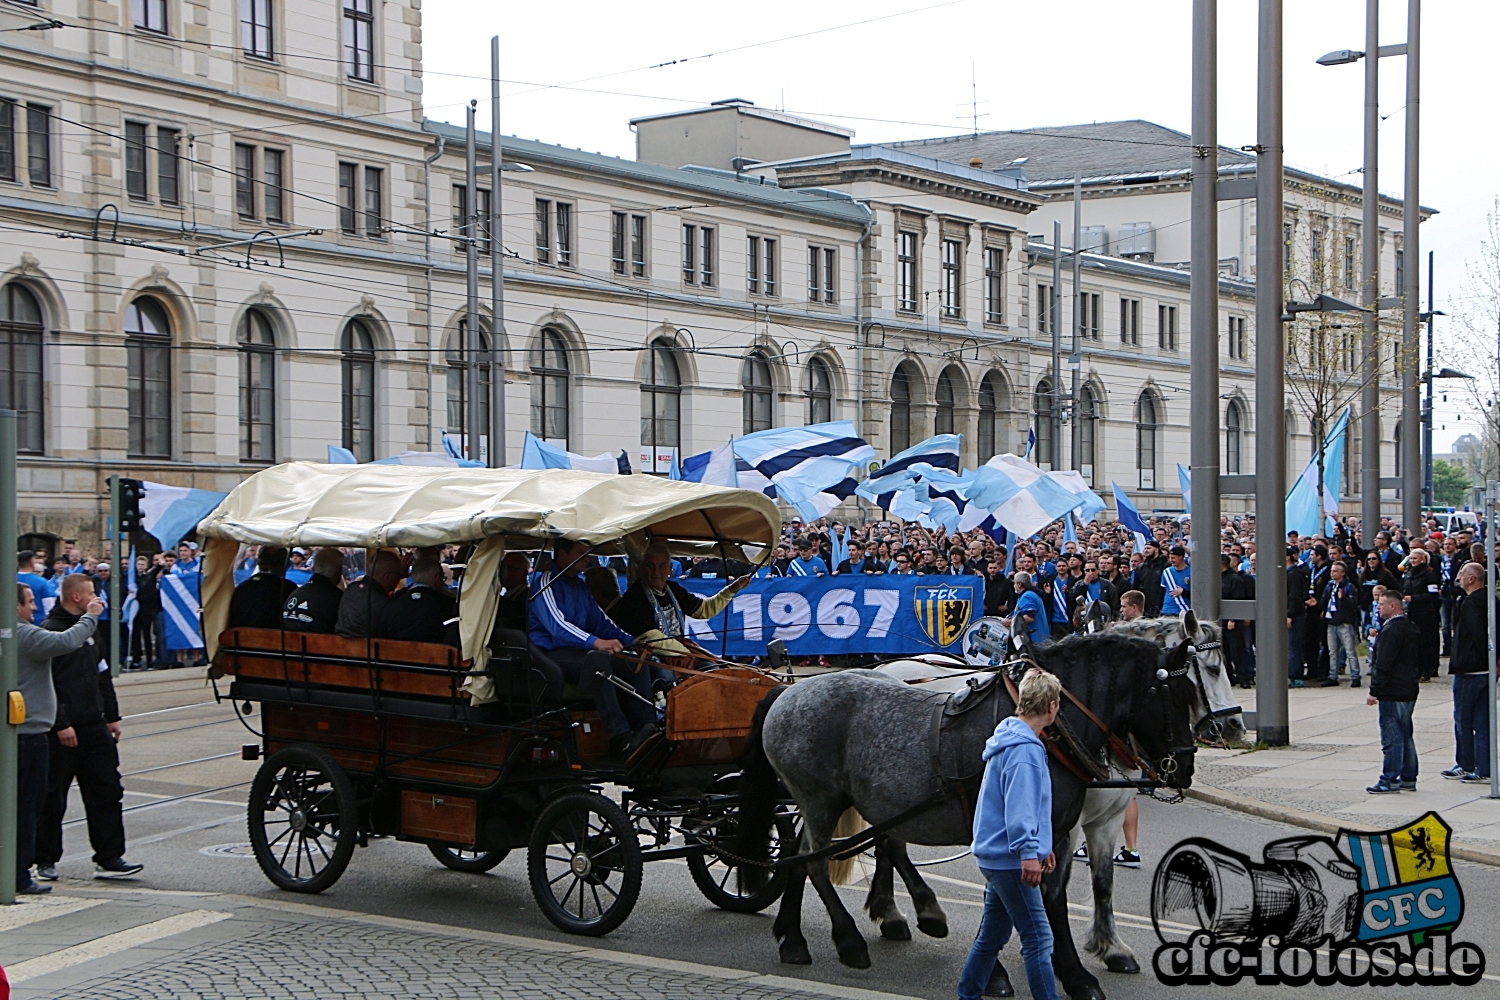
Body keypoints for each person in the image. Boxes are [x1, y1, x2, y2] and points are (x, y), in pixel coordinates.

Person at [958, 667, 1061, 1000]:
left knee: (992, 937)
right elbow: (1020, 811)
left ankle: (968, 995)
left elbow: (1023, 807)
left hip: (997, 855)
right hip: (1010, 860)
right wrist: (1029, 852)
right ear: (1051, 706)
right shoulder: (1026, 750)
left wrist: (1041, 845)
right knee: (1038, 940)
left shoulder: (1009, 739)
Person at [33, 575, 142, 881]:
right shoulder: (50, 632)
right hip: (63, 731)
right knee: (52, 797)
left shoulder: (92, 631)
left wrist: (112, 715)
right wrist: (61, 723)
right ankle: (45, 859)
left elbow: (103, 674)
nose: (98, 598)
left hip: (95, 726)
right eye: (92, 593)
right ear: (77, 598)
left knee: (106, 791)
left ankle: (109, 856)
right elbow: (48, 684)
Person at [14, 583, 103, 894]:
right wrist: (90, 617)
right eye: (28, 603)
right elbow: (66, 641)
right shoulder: (23, 634)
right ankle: (19, 876)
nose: (34, 608)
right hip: (30, 735)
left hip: (16, 733)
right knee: (29, 807)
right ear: (14, 606)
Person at [531, 538, 655, 756]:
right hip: (550, 654)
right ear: (562, 555)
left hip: (577, 651)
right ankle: (620, 738)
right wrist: (597, 643)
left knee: (635, 663)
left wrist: (631, 641)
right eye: (580, 553)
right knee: (599, 667)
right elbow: (557, 626)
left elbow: (600, 622)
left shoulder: (579, 586)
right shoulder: (545, 583)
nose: (587, 558)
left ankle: (648, 729)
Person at [1442, 563, 1495, 783]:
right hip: (1484, 668)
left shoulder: (1471, 603)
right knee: (1482, 721)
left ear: (1472, 579)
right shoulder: (1490, 600)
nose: (1459, 578)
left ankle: (1466, 763)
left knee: (1463, 718)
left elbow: (1476, 634)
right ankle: (1483, 768)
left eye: (1462, 574)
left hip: (1470, 668)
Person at [1365, 590, 1421, 795]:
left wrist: (1375, 690)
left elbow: (1384, 663)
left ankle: (1389, 778)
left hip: (1393, 690)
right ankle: (1408, 776)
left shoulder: (1391, 631)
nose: (1378, 608)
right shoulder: (1411, 627)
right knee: (1405, 733)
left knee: (1392, 735)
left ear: (1393, 606)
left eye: (1381, 604)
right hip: (1408, 688)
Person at [383, 556, 460, 646]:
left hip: (392, 656)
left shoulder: (393, 603)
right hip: (436, 657)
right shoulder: (448, 604)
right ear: (437, 578)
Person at [336, 550, 405, 638]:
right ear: (387, 577)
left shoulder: (351, 589)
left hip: (340, 648)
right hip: (370, 650)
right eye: (398, 575)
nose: (398, 579)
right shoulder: (383, 603)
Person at [228, 544, 296, 630]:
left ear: (258, 562)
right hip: (275, 640)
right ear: (283, 565)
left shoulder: (242, 588)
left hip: (240, 640)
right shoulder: (288, 588)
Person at [1401, 549, 1442, 681]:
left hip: (1425, 612)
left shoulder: (1430, 574)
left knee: (1425, 642)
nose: (1412, 561)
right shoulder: (1408, 574)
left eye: (1415, 558)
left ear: (1422, 560)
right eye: (1411, 558)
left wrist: (1414, 598)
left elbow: (1433, 595)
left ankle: (1427, 669)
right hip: (1411, 612)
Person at [282, 548, 345, 633]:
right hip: (321, 645)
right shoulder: (337, 599)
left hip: (283, 644)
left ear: (314, 568)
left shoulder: (294, 593)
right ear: (339, 571)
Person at [1321, 561, 1362, 689]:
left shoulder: (1349, 587)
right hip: (1332, 621)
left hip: (1344, 622)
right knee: (1332, 651)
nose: (1332, 573)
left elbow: (1354, 605)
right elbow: (1325, 600)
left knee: (1350, 650)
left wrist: (1343, 598)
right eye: (1332, 571)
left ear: (1342, 573)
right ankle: (1333, 676)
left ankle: (1355, 676)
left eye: (1335, 571)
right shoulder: (1329, 586)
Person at [1003, 573, 1051, 649]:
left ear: (1019, 584)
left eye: (1014, 583)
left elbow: (1029, 617)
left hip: (1035, 641)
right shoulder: (1028, 594)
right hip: (1038, 640)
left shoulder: (1028, 596)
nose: (1013, 585)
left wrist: (1010, 622)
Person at [18, 549, 54, 625]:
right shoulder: (42, 582)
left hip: (15, 623)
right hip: (37, 624)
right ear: (32, 563)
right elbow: (49, 608)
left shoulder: (7, 581)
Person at [1160, 546, 1191, 616]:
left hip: (1184, 610)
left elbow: (1197, 593)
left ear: (1181, 557)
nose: (1171, 560)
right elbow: (1161, 591)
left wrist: (1183, 592)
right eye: (1170, 557)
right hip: (1167, 610)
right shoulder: (1167, 572)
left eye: (1173, 558)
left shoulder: (1191, 572)